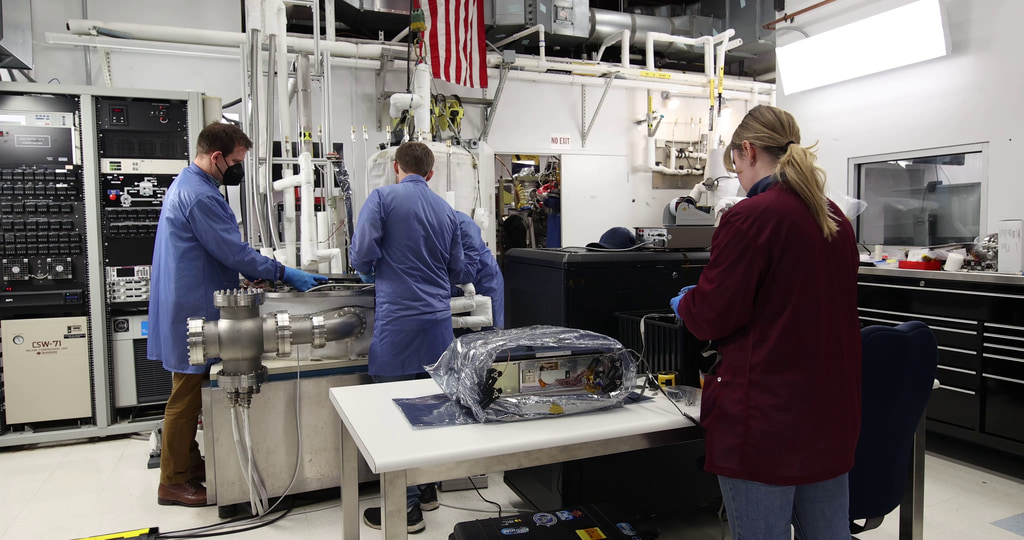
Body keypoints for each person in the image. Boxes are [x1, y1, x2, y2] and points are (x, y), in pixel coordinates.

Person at [672, 105, 861, 539]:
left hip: (767, 420)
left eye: (735, 165)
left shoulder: (750, 217)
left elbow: (714, 316)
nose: (737, 176)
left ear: (748, 150)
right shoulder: (833, 217)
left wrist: (686, 304)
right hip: (829, 413)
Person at [148, 122, 327, 508]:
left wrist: (247, 279)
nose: (237, 170)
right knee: (185, 396)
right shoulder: (201, 196)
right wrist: (282, 272)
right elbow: (231, 250)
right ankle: (173, 481)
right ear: (216, 158)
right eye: (235, 162)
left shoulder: (191, 185)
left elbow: (214, 252)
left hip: (187, 297)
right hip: (193, 305)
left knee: (190, 393)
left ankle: (190, 464)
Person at [349, 141, 466, 534]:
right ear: (430, 174)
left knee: (394, 413)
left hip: (398, 323)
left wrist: (370, 270)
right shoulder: (447, 211)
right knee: (430, 410)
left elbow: (362, 251)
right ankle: (428, 488)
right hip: (437, 326)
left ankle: (407, 509)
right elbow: (457, 267)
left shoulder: (382, 198)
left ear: (396, 167)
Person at [453, 210, 504, 333]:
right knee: (461, 339)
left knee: (487, 337)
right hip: (460, 287)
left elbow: (467, 272)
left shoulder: (465, 225)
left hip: (484, 282)